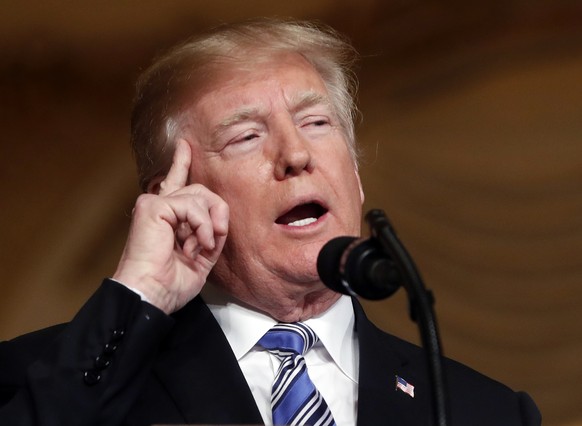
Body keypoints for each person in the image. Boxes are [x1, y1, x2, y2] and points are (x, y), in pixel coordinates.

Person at [0, 19, 540, 425]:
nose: (296, 154)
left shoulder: (486, 411)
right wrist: (140, 291)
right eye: (246, 137)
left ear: (353, 176)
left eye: (316, 122)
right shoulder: (51, 378)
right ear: (175, 198)